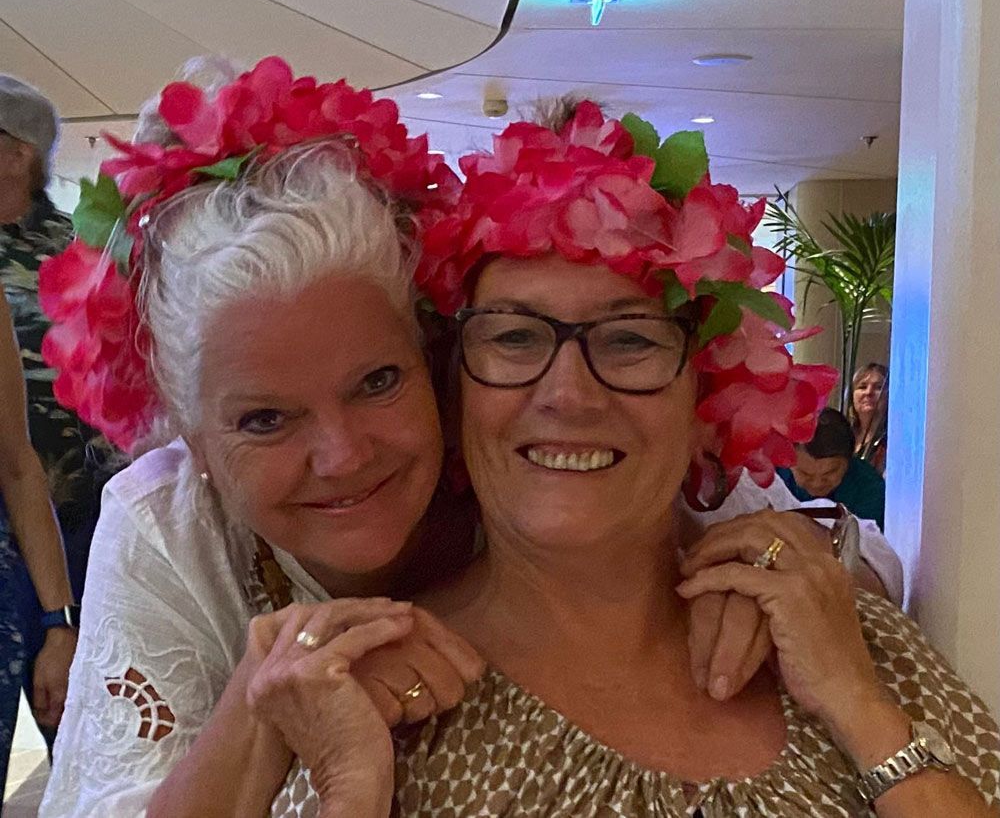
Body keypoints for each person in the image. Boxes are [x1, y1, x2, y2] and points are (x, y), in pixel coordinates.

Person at [266, 101, 997, 815]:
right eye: (515, 338)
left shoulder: (848, 644)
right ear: (453, 393)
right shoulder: (380, 711)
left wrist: (859, 708)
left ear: (706, 403)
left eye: (630, 341)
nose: (569, 393)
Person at [38, 57, 486, 817]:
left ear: (432, 354)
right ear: (192, 441)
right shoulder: (162, 521)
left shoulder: (522, 456)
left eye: (378, 381)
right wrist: (260, 703)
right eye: (265, 420)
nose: (342, 455)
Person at [0, 76, 78, 797]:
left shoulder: (76, 251)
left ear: (18, 153)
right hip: (17, 515)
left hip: (71, 517)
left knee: (81, 727)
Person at [777, 407, 887, 529]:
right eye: (805, 474)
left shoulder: (870, 490)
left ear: (849, 461)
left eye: (829, 473)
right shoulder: (771, 479)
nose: (817, 484)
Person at [849, 362, 889, 474]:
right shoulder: (844, 436)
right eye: (862, 387)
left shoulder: (893, 440)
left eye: (878, 387)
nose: (869, 392)